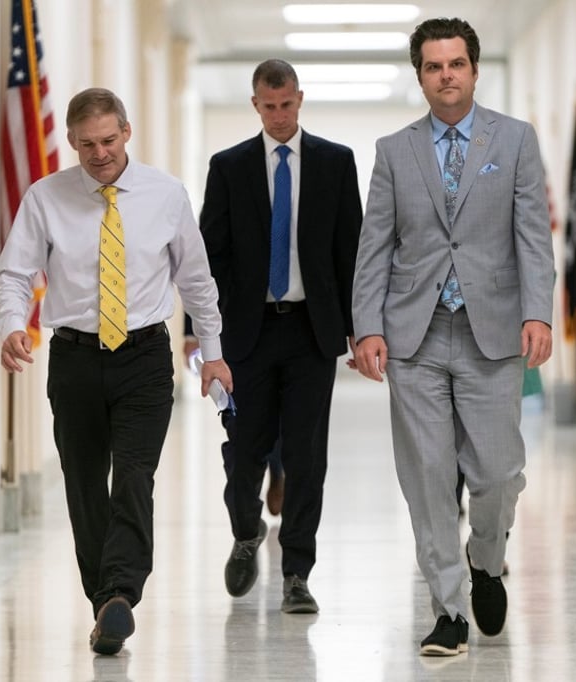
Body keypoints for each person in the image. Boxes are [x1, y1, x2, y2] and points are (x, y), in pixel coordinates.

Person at [0, 88, 232, 656]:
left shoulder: (165, 195)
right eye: (86, 144)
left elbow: (196, 280)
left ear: (126, 132)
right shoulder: (45, 198)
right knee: (83, 483)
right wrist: (10, 324)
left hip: (145, 357)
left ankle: (119, 592)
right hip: (74, 357)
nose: (99, 154)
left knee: (132, 476)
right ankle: (105, 604)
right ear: (72, 142)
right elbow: (13, 272)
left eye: (108, 140)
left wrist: (214, 351)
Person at [351, 18, 554, 656]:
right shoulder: (393, 150)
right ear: (420, 75)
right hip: (416, 335)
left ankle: (485, 559)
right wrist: (367, 326)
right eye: (434, 66)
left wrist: (539, 312)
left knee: (498, 474)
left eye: (456, 64)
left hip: (492, 333)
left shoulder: (515, 140)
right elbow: (374, 246)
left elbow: (533, 236)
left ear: (473, 69)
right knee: (429, 477)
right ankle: (448, 610)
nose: (446, 76)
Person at [199, 58, 362, 614]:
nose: (278, 115)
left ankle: (297, 572)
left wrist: (359, 329)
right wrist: (201, 334)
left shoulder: (336, 164)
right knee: (245, 450)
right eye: (268, 106)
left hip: (311, 334)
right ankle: (247, 533)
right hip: (248, 333)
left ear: (300, 98)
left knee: (306, 456)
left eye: (286, 104)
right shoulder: (230, 167)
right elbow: (209, 256)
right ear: (255, 105)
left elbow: (351, 252)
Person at [183, 316, 285, 515]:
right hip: (237, 326)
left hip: (292, 325)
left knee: (281, 409)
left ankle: (276, 468)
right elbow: (198, 284)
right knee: (246, 423)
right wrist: (191, 333)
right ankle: (247, 503)